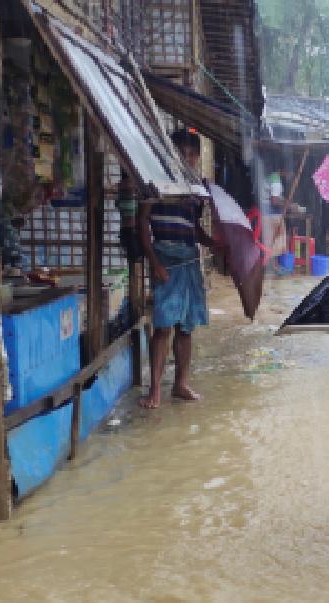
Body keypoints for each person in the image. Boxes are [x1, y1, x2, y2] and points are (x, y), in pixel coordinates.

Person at [139, 128, 209, 409]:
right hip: (166, 257)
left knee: (186, 328)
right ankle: (155, 389)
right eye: (183, 152)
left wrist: (214, 242)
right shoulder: (155, 182)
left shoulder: (196, 189)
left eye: (192, 154)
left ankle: (180, 384)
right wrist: (154, 263)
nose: (188, 158)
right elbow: (143, 223)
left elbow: (195, 229)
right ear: (171, 153)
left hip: (190, 260)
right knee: (164, 326)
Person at [263, 171, 288, 254]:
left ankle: (270, 260)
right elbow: (274, 201)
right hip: (272, 215)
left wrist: (285, 201)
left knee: (267, 241)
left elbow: (275, 196)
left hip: (264, 212)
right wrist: (288, 205)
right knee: (275, 241)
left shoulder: (269, 175)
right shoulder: (275, 179)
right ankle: (272, 262)